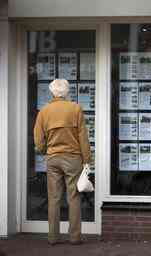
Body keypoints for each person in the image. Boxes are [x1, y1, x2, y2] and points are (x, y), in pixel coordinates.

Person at [34, 79, 91, 246]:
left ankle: (52, 237)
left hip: (53, 158)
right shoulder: (75, 109)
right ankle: (74, 237)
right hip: (73, 158)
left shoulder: (44, 111)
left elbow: (38, 139)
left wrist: (46, 151)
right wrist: (87, 160)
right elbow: (83, 137)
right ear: (66, 92)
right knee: (73, 197)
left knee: (53, 198)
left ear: (52, 92)